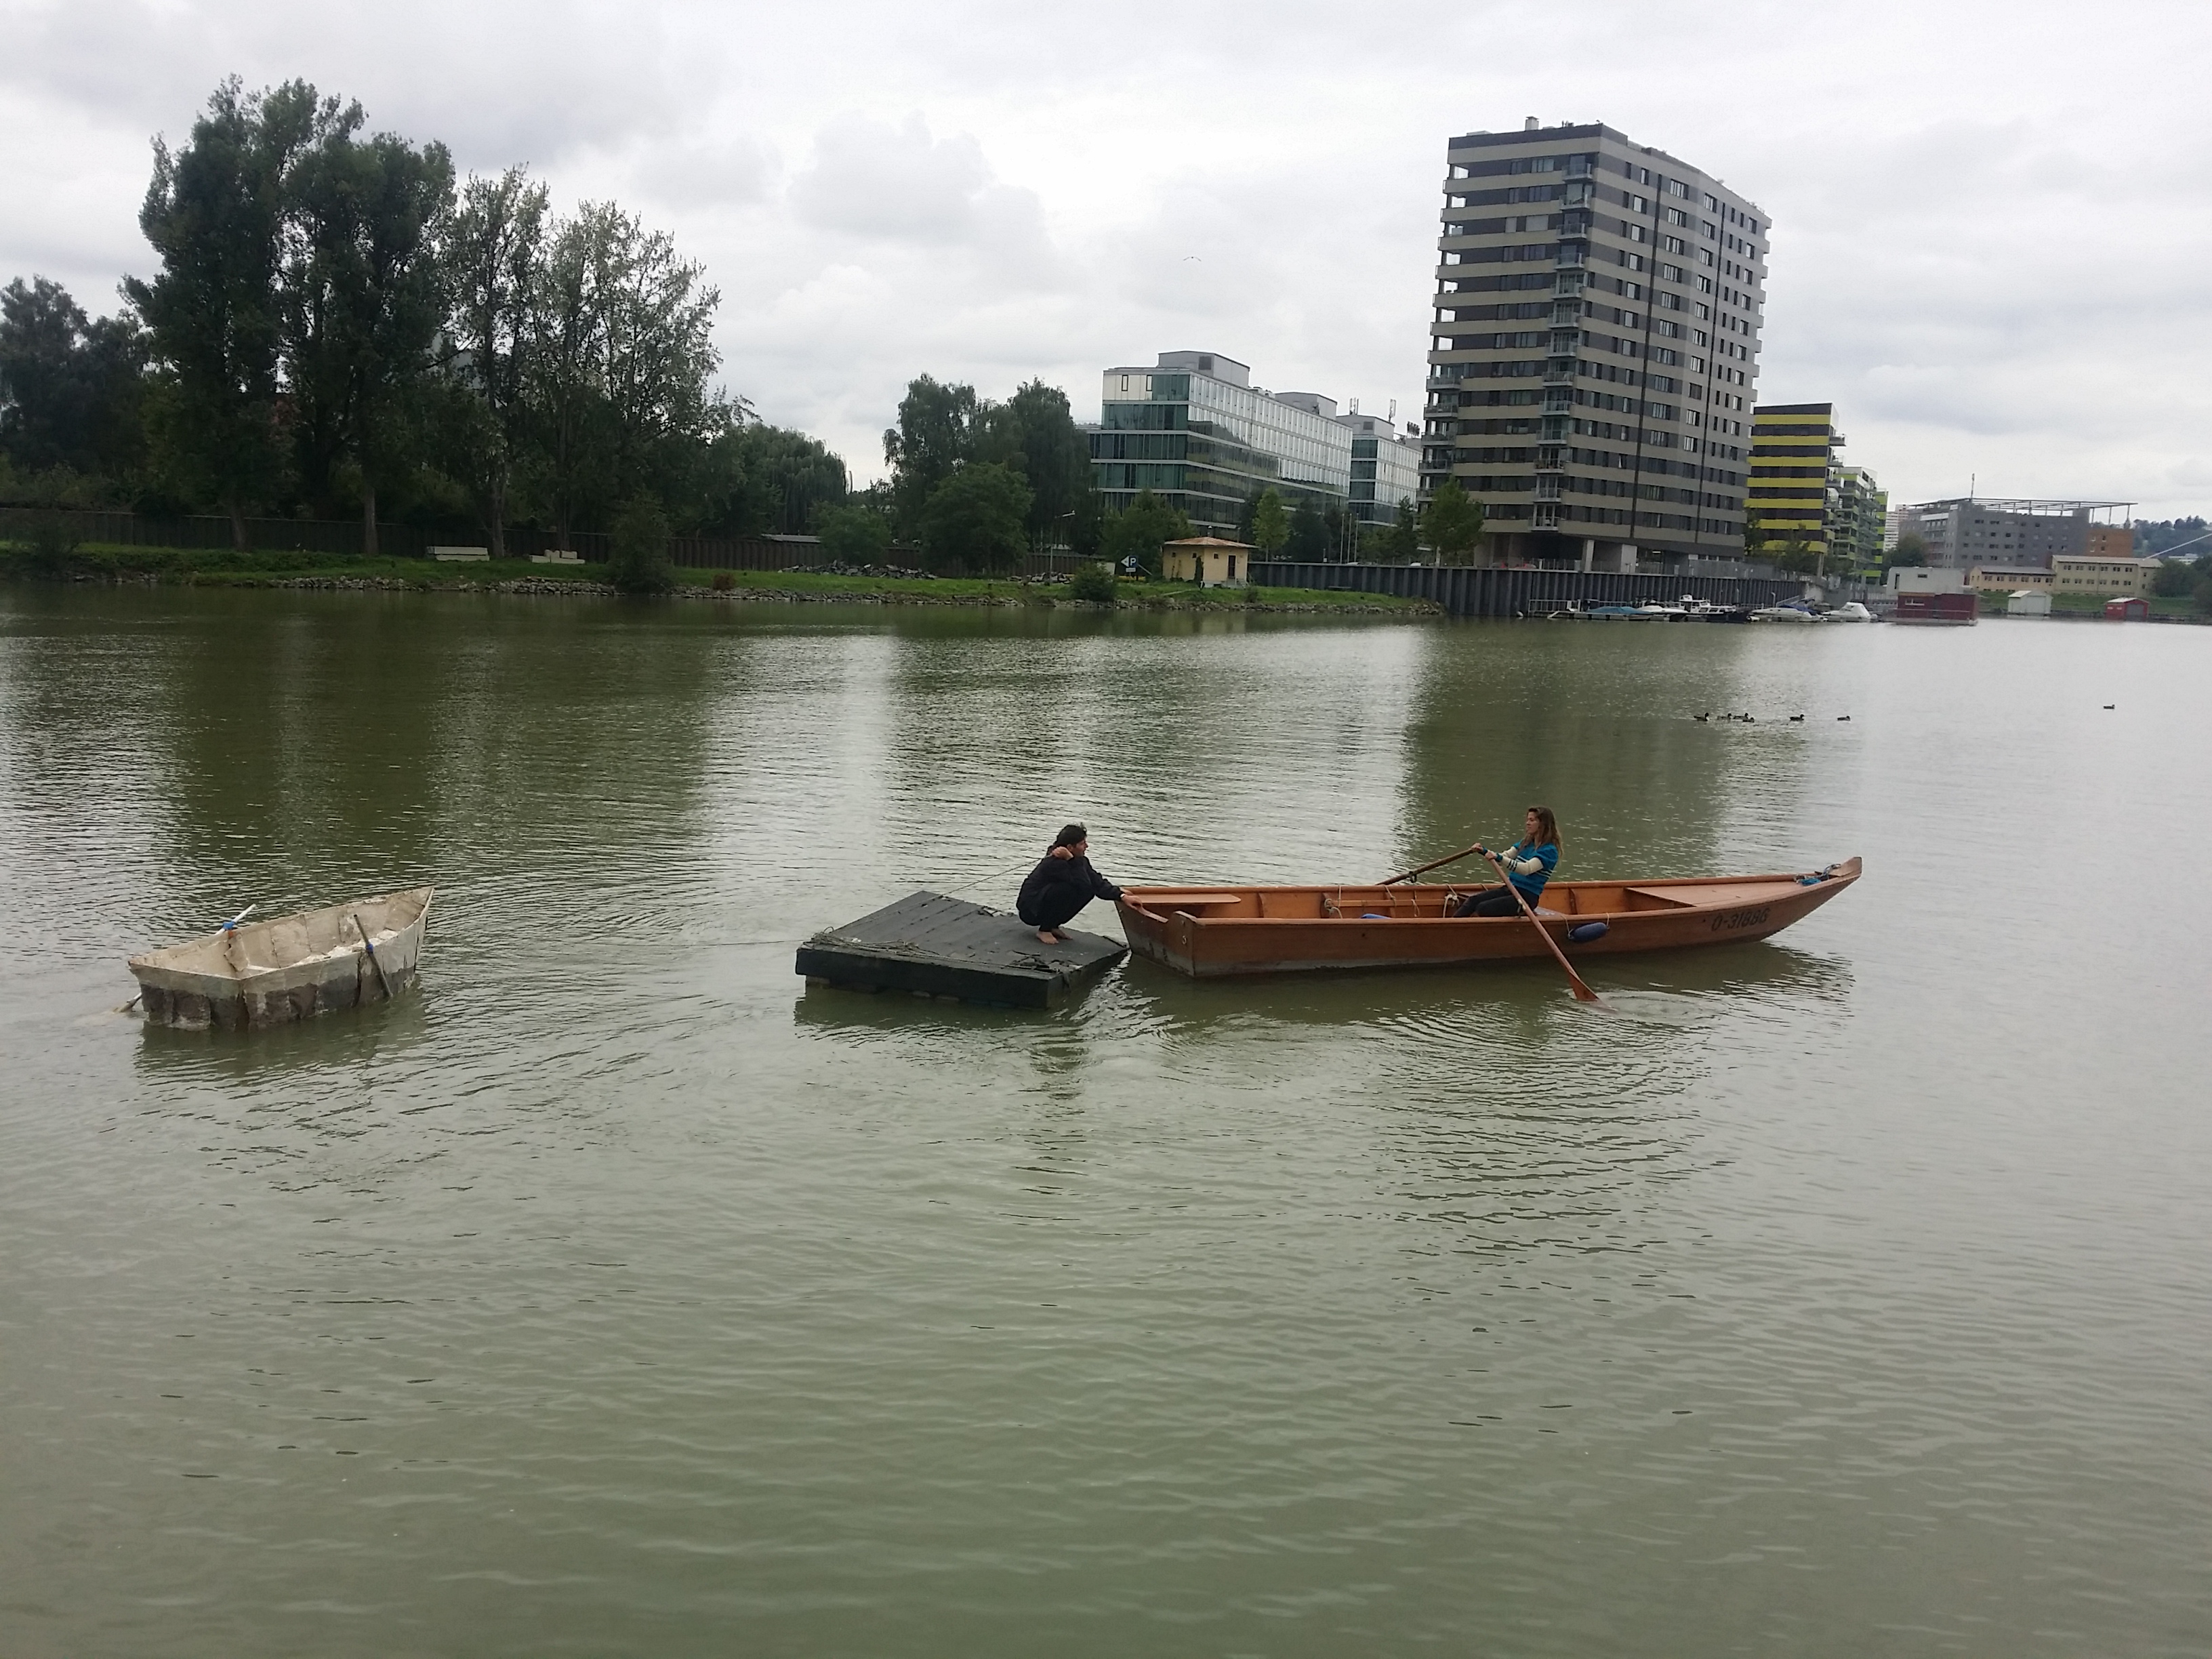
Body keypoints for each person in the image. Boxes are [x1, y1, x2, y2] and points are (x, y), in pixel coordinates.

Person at [1017, 823, 1124, 943]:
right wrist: (1072, 861)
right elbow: (1082, 884)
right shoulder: (1054, 863)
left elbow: (1096, 882)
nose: (1087, 846)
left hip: (1042, 904)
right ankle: (1044, 930)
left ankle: (1053, 926)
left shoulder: (1080, 861)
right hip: (1030, 911)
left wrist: (1121, 895)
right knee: (1067, 889)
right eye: (1082, 843)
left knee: (1088, 892)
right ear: (1070, 847)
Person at [1453, 806, 1561, 918]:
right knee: (1473, 901)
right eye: (1528, 820)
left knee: (1484, 908)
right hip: (1510, 889)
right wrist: (1484, 851)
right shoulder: (1526, 843)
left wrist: (1499, 858)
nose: (1527, 823)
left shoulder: (1549, 851)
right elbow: (1505, 856)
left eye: (1532, 820)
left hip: (1526, 897)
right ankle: (1450, 928)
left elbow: (1526, 869)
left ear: (1543, 824)